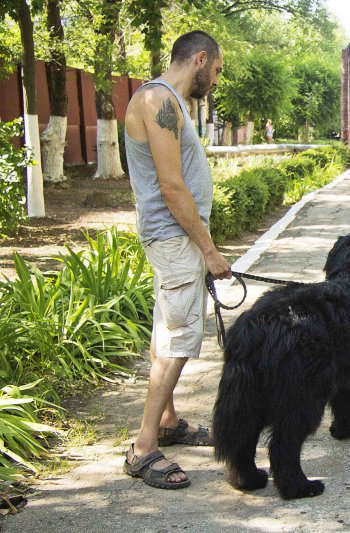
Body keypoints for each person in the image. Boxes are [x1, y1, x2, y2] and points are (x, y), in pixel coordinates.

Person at [122, 30, 231, 490]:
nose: (217, 80)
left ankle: (166, 420)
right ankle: (144, 447)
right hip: (174, 238)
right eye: (218, 70)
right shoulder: (158, 102)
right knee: (179, 337)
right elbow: (169, 187)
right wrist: (208, 250)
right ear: (200, 59)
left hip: (173, 237)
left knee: (167, 328)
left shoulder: (169, 102)